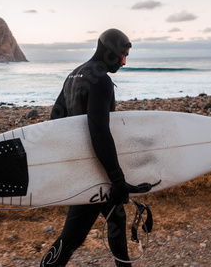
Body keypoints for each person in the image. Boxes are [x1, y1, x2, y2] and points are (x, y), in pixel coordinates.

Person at [40, 28, 150, 267]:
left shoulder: (73, 75)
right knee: (72, 237)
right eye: (123, 54)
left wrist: (70, 164)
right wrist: (117, 179)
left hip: (85, 168)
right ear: (110, 51)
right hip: (96, 173)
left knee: (116, 222)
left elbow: (55, 122)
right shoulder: (101, 80)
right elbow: (99, 132)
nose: (123, 61)